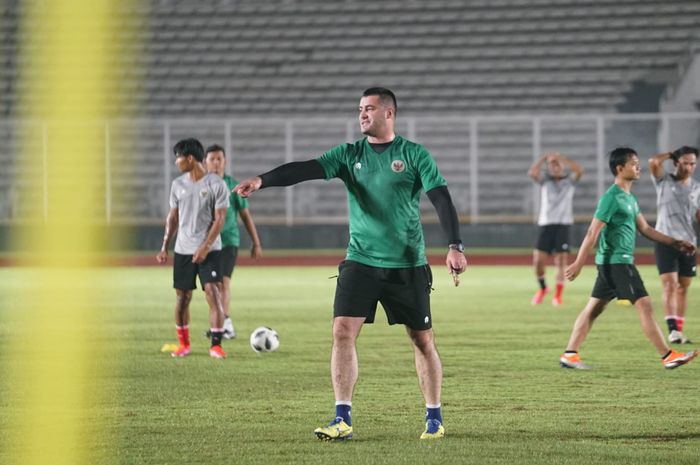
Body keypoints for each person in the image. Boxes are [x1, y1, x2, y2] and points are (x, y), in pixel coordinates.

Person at [233, 87, 467, 441]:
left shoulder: (414, 155)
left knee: (421, 340)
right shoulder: (348, 154)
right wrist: (262, 180)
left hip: (406, 264)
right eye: (360, 108)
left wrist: (454, 245)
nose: (362, 114)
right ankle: (342, 419)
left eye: (369, 108)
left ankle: (433, 417)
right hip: (360, 260)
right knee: (342, 330)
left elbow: (441, 199)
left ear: (389, 114)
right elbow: (306, 168)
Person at [559, 147, 698, 370]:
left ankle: (570, 354)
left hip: (613, 262)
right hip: (617, 262)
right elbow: (592, 232)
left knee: (593, 309)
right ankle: (668, 355)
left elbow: (645, 229)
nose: (638, 166)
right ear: (619, 168)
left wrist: (676, 242)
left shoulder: (629, 198)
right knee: (644, 304)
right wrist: (578, 262)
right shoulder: (611, 198)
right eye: (633, 163)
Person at [156, 138, 230, 359]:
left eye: (178, 157)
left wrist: (205, 247)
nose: (176, 162)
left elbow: (220, 219)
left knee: (213, 292)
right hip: (183, 250)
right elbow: (173, 217)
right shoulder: (177, 185)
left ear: (189, 158)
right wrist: (164, 246)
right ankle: (184, 345)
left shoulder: (216, 184)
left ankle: (216, 345)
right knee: (182, 298)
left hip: (211, 250)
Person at [204, 144, 263, 339]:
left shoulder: (233, 185)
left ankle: (225, 322)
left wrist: (256, 242)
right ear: (205, 163)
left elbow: (245, 215)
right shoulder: (200, 185)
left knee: (223, 283)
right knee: (210, 286)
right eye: (212, 159)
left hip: (229, 240)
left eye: (219, 158)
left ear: (225, 161)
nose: (216, 162)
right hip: (207, 243)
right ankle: (221, 322)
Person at [648, 146, 700, 344]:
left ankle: (679, 329)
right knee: (669, 284)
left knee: (683, 287)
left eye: (693, 163)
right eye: (685, 162)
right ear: (676, 163)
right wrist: (672, 153)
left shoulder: (696, 188)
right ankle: (672, 331)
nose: (689, 167)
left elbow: (697, 214)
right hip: (666, 240)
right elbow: (653, 162)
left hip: (688, 243)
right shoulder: (664, 181)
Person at [527, 152, 583, 306]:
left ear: (562, 166)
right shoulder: (545, 181)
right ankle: (543, 288)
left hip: (563, 224)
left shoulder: (569, 181)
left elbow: (579, 170)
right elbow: (532, 173)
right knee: (538, 261)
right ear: (549, 168)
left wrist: (561, 158)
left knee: (561, 261)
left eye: (557, 164)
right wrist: (543, 159)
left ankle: (558, 295)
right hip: (546, 223)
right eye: (552, 165)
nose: (555, 167)